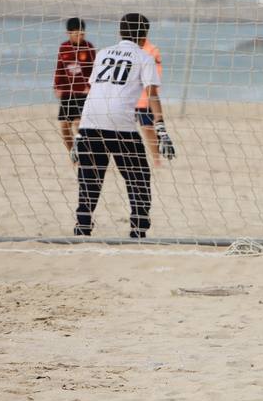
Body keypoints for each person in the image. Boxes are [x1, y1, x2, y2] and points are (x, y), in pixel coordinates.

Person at [73, 13, 177, 237]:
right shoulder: (144, 57)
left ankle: (82, 227)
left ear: (120, 32)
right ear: (144, 35)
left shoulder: (101, 53)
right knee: (138, 175)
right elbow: (152, 94)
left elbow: (94, 90)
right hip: (120, 124)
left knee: (90, 176)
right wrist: (162, 130)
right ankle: (138, 229)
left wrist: (79, 134)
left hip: (90, 121)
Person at [53, 17, 96, 161]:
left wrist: (89, 87)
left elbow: (94, 70)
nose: (80, 36)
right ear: (69, 33)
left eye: (82, 33)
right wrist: (57, 86)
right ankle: (72, 152)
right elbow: (59, 68)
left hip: (83, 92)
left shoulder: (88, 48)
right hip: (67, 92)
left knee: (79, 123)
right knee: (64, 126)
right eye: (77, 34)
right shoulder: (63, 48)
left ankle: (83, 153)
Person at [134, 36, 164, 167]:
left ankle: (156, 159)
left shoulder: (152, 50)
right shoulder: (127, 49)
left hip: (144, 98)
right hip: (126, 98)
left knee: (147, 128)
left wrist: (149, 94)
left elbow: (155, 75)